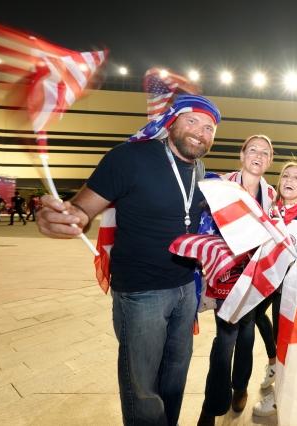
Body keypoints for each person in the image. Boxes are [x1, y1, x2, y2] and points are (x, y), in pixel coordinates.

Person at [36, 94, 221, 426]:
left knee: (175, 378)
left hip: (184, 289)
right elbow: (83, 209)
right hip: (141, 292)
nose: (200, 132)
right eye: (192, 121)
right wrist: (67, 217)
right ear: (171, 122)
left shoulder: (200, 170)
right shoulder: (130, 157)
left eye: (209, 128)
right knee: (142, 389)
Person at [198, 134, 276, 426]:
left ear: (269, 161)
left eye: (265, 152)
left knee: (246, 335)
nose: (258, 155)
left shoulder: (271, 195)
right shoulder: (222, 186)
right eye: (252, 150)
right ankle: (212, 405)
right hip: (226, 274)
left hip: (254, 276)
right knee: (225, 339)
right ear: (242, 155)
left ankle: (240, 386)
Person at [252, 161, 297, 418]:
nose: (289, 180)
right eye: (286, 176)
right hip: (268, 279)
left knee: (285, 337)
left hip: (291, 287)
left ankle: (281, 396)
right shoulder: (268, 213)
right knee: (254, 315)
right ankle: (273, 363)